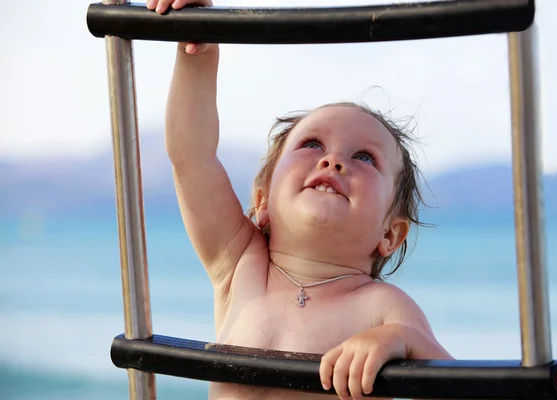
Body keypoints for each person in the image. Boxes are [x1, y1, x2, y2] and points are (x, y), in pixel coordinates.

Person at [147, 0, 454, 398]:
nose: (333, 160)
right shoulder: (240, 262)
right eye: (311, 144)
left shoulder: (385, 308)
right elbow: (192, 157)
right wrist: (198, 47)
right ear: (261, 201)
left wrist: (404, 342)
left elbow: (459, 387)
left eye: (364, 157)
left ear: (390, 234)